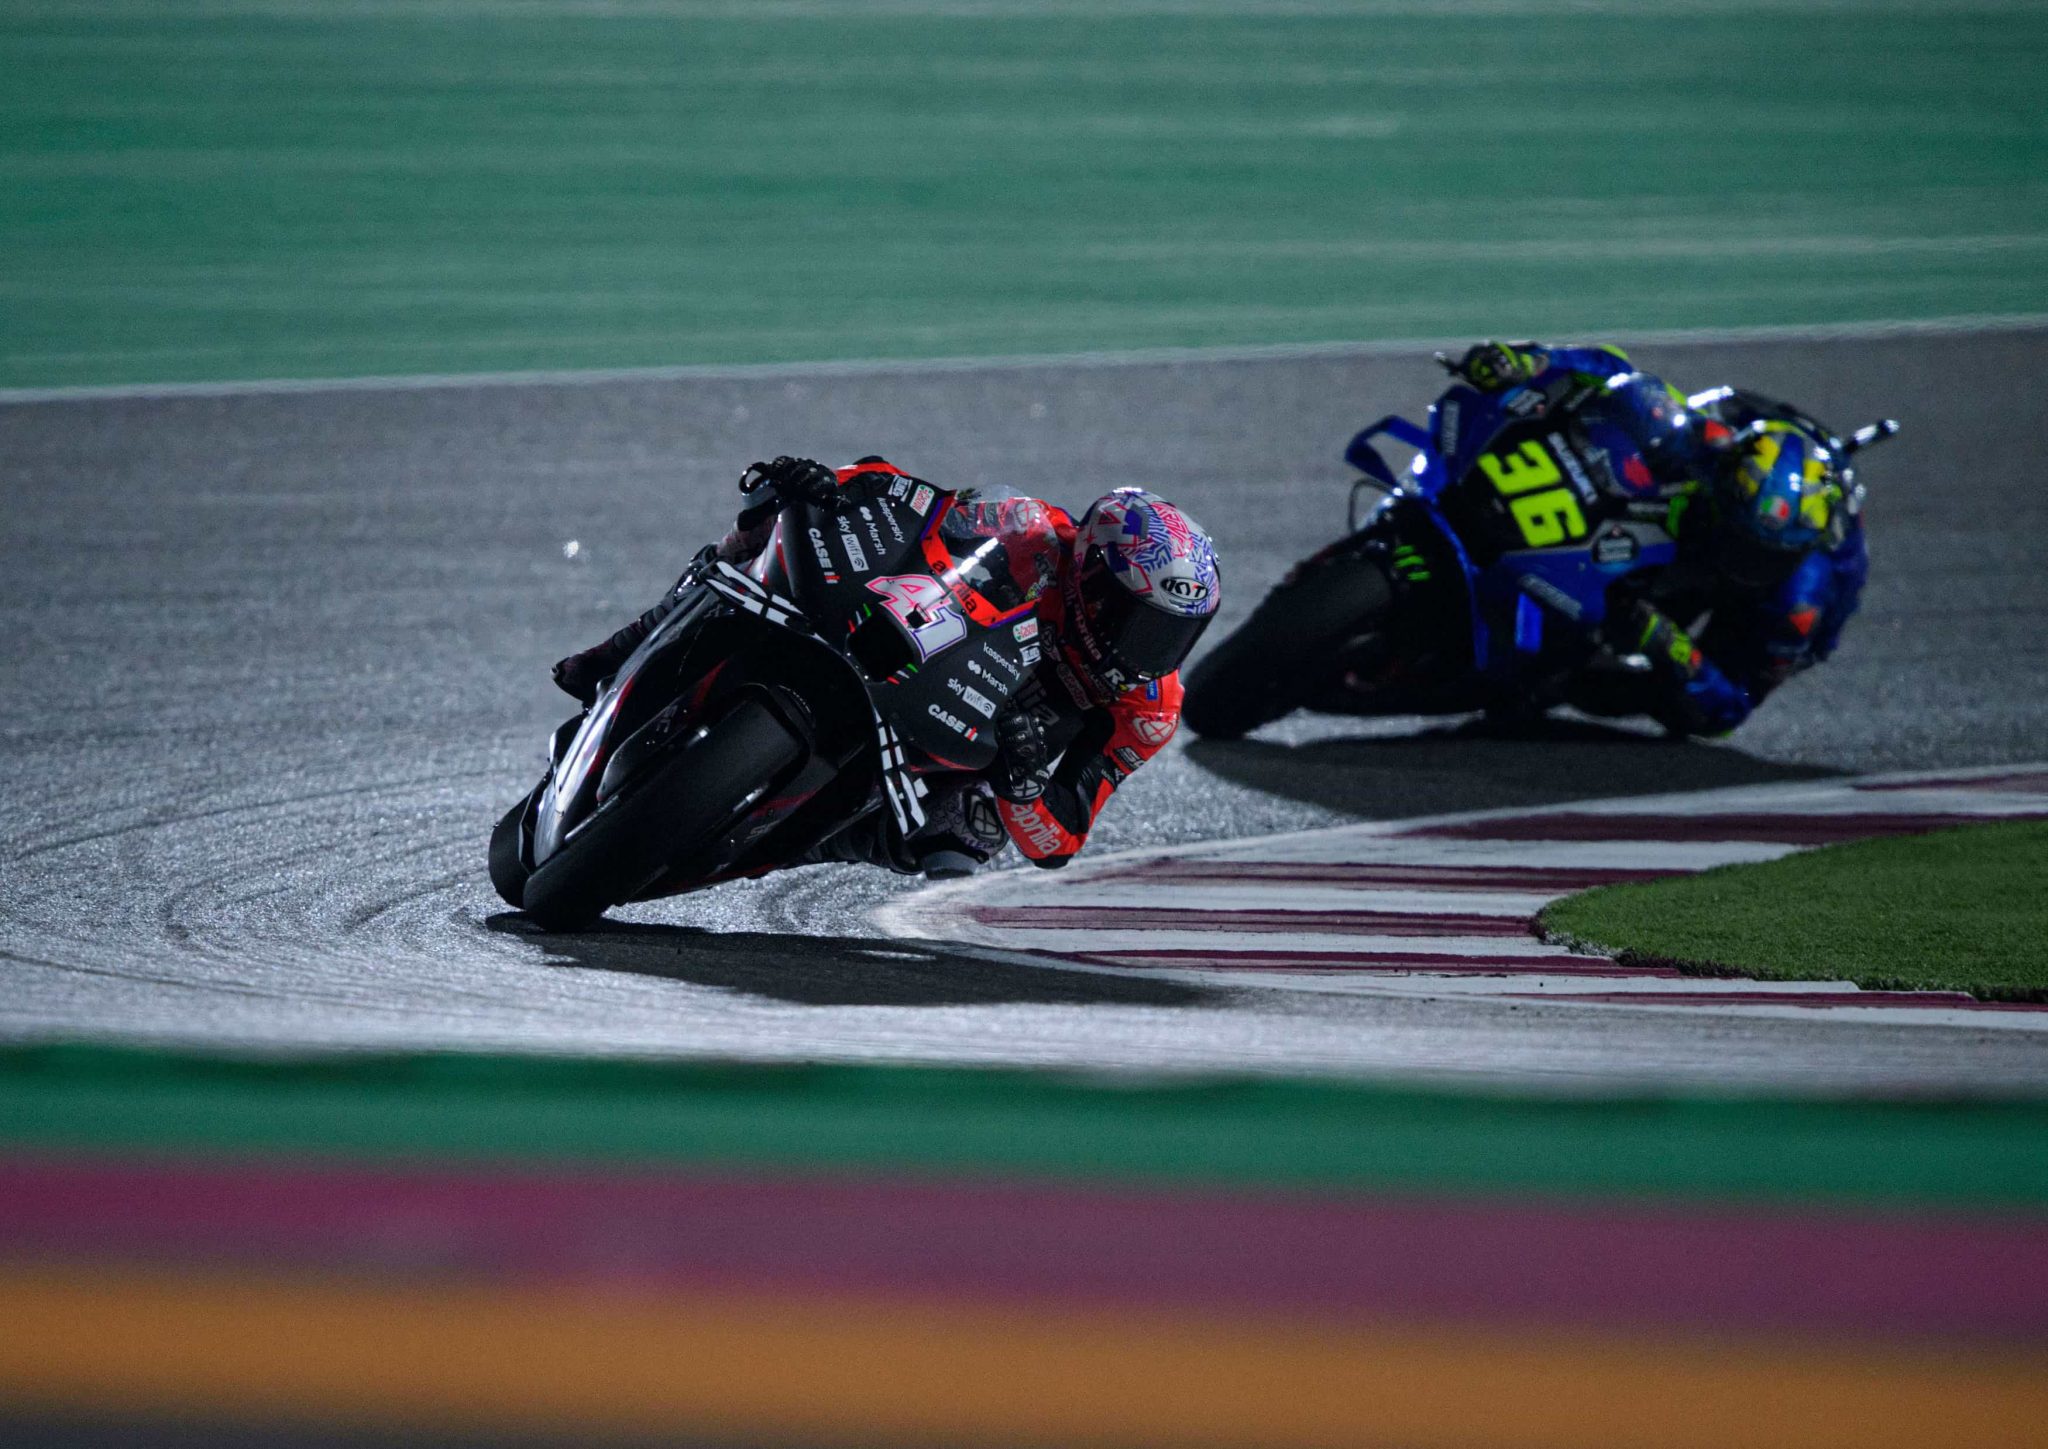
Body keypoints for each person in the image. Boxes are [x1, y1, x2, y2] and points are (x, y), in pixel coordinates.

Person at [551, 455, 1222, 875]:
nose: (1147, 650)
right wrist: (834, 485)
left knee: (968, 837)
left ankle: (818, 839)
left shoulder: (1150, 711)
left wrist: (1022, 789)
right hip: (922, 644)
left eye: (1172, 635)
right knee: (768, 514)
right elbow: (913, 502)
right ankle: (627, 642)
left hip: (970, 754)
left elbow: (1062, 839)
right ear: (1089, 575)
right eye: (1135, 621)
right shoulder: (1034, 528)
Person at [1442, 341, 1869, 736]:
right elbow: (1615, 372)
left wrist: (1665, 641)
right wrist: (1530, 361)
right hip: (1734, 464)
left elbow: (1730, 711)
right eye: (1739, 542)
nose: (1744, 561)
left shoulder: (1801, 600)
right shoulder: (1711, 442)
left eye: (1760, 555)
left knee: (1657, 698)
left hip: (1774, 603)